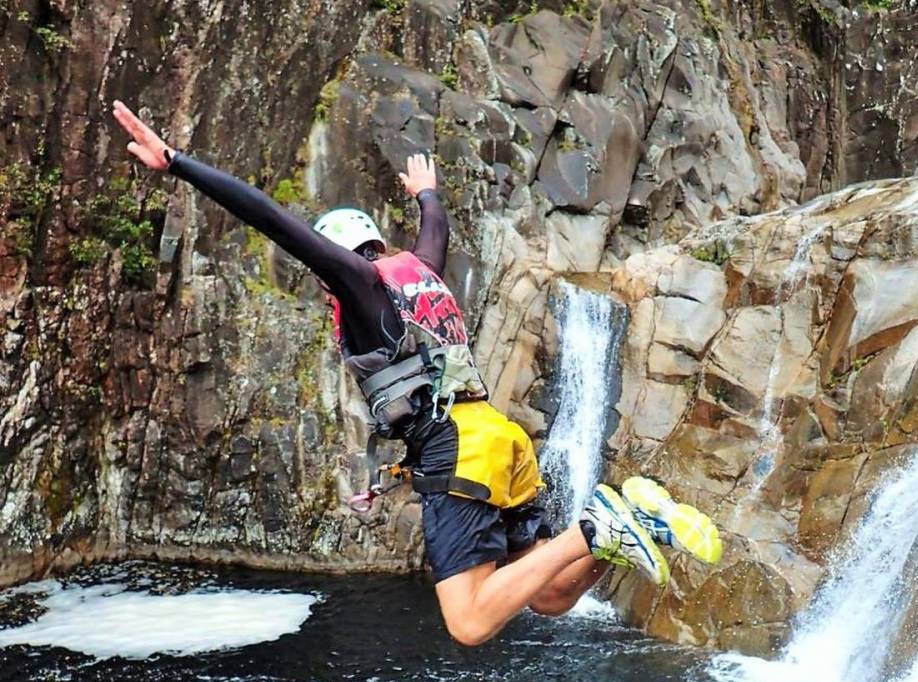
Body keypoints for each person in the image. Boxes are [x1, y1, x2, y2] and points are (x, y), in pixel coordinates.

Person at [111, 100, 722, 646]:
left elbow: (270, 218)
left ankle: (596, 527)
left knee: (470, 623)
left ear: (338, 258)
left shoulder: (359, 283)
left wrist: (178, 163)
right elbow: (436, 234)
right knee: (551, 596)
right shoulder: (418, 273)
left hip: (457, 448)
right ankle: (622, 533)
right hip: (497, 435)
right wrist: (427, 194)